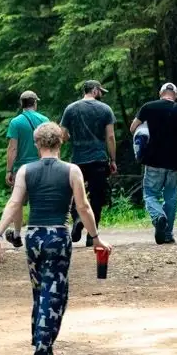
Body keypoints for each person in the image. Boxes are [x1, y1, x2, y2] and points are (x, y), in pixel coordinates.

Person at [0, 121, 111, 355]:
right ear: (60, 142)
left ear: (37, 144)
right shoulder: (72, 171)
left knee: (40, 292)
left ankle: (42, 344)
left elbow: (15, 204)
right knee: (54, 294)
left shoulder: (25, 170)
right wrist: (95, 236)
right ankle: (42, 351)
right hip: (57, 235)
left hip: (34, 236)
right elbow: (83, 207)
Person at [130, 82, 177, 245]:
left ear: (160, 93)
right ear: (176, 96)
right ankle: (167, 234)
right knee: (171, 198)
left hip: (152, 161)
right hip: (174, 162)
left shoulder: (148, 107)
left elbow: (133, 128)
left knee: (150, 194)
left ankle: (159, 217)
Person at [60, 79, 117, 246]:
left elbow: (62, 135)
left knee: (76, 193)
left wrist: (71, 137)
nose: (102, 95)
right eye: (101, 91)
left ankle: (78, 218)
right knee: (97, 197)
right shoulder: (105, 109)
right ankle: (92, 236)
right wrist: (113, 159)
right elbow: (111, 137)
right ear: (94, 90)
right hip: (99, 159)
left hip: (78, 160)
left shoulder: (71, 109)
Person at [4, 90, 49, 248]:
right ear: (35, 102)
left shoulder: (15, 122)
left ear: (21, 104)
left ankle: (16, 235)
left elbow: (12, 148)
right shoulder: (44, 120)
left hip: (21, 168)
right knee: (40, 201)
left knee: (17, 202)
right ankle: (42, 233)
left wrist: (9, 170)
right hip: (42, 166)